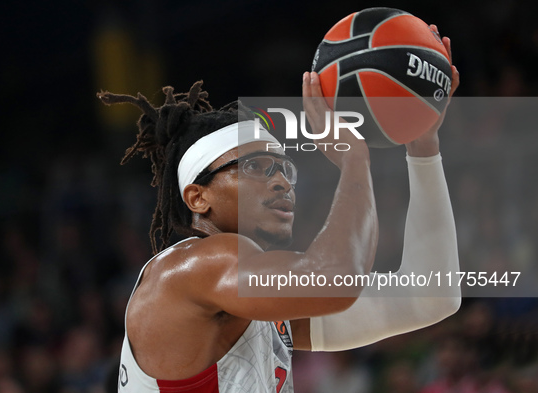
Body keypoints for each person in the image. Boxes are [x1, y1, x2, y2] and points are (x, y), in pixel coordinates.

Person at [98, 25, 461, 393]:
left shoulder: (260, 303)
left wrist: (423, 147)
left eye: (285, 168)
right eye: (255, 167)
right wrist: (353, 160)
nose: (281, 182)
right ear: (198, 198)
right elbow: (338, 278)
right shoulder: (192, 269)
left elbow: (431, 297)